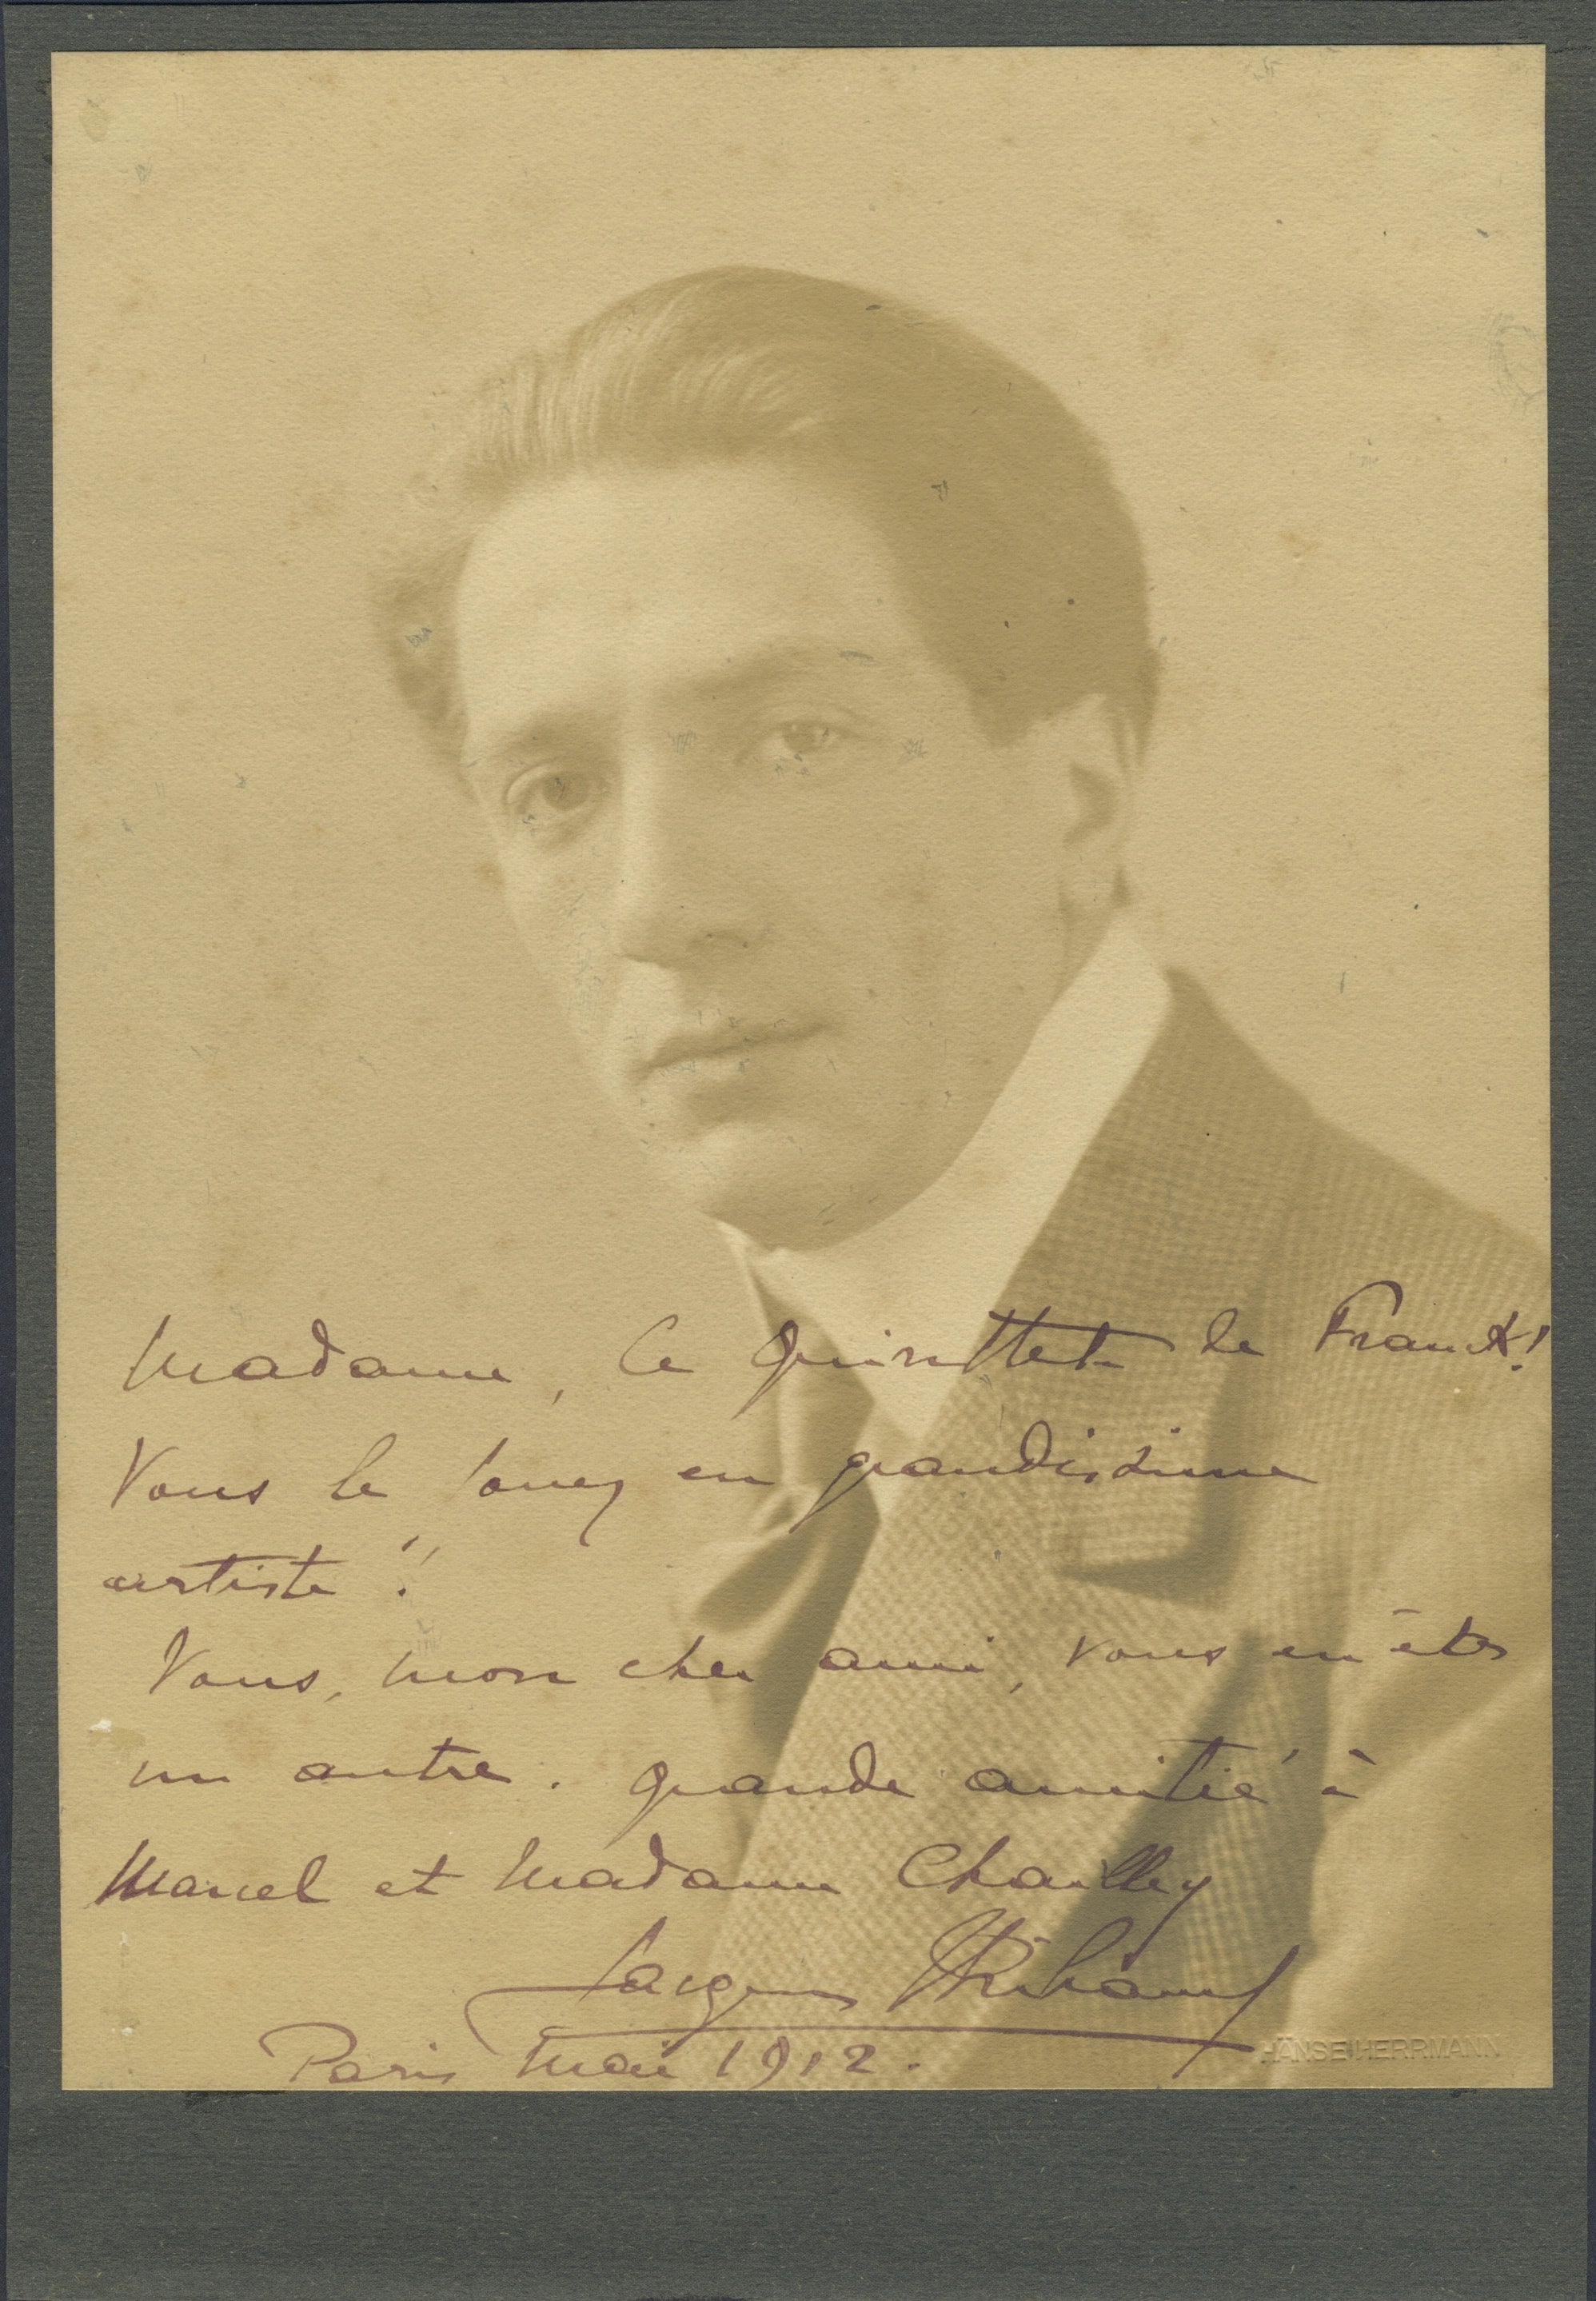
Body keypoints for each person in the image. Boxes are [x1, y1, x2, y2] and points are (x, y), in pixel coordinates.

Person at [381, 269, 1550, 2087]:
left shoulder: (1495, 1492)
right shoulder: (756, 1446)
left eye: (794, 740)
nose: (658, 904)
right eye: (554, 790)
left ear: (1081, 785)